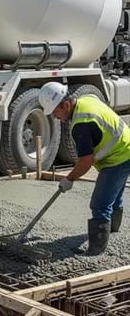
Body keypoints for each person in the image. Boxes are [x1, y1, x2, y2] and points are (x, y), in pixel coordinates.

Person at [39, 81, 130, 255]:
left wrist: (69, 179)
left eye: (55, 112)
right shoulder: (86, 99)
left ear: (66, 104)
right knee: (114, 195)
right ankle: (112, 231)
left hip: (119, 157)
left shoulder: (82, 124)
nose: (55, 117)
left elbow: (85, 162)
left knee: (100, 203)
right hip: (125, 147)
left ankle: (96, 252)